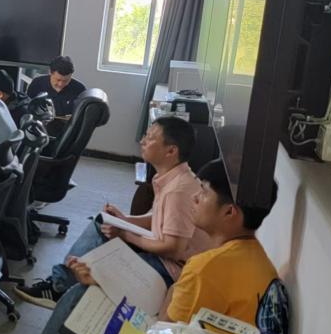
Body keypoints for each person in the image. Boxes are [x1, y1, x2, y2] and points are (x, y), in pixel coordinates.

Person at [25, 160, 287, 334]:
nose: (195, 197)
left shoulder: (206, 267)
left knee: (80, 300)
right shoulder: (257, 257)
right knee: (91, 294)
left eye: (204, 192)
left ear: (230, 212)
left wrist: (103, 289)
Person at [16, 116, 211, 309]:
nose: (143, 141)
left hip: (170, 268)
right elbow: (158, 218)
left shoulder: (177, 191)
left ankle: (61, 290)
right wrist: (123, 220)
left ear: (171, 150)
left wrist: (126, 234)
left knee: (99, 268)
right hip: (163, 254)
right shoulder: (172, 177)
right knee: (102, 223)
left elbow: (173, 248)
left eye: (150, 138)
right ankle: (59, 285)